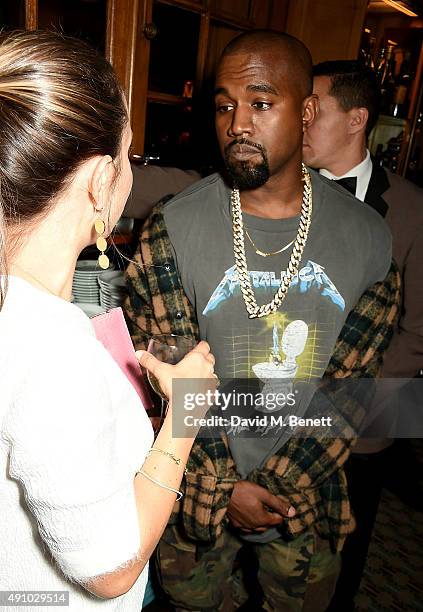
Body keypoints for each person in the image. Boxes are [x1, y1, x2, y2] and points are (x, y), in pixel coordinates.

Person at [125, 31, 397, 611]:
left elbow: (351, 389)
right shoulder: (171, 227)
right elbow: (166, 379)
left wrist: (270, 488)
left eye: (261, 102)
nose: (238, 124)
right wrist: (229, 490)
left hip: (306, 496)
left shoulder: (369, 237)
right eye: (225, 105)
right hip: (193, 489)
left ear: (306, 111)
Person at [0, 30, 217, 611]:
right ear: (100, 180)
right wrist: (185, 416)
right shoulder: (51, 352)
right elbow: (110, 567)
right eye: (128, 156)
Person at [302, 59, 423, 610]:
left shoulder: (414, 210)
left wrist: (360, 407)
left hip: (366, 418)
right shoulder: (275, 187)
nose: (299, 121)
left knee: (344, 555)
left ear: (356, 119)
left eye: (314, 109)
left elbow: (416, 331)